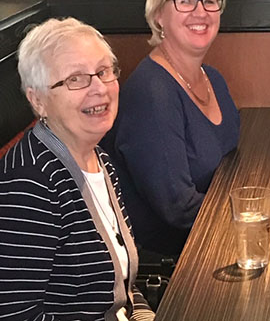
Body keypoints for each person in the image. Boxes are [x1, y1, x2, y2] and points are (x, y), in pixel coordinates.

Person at [0, 18, 154, 320]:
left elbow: (125, 286)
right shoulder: (29, 185)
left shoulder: (98, 157)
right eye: (75, 78)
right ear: (38, 100)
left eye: (103, 71)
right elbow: (15, 314)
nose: (98, 88)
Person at [103, 0, 240, 258]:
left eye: (210, 0)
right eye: (185, 1)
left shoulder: (212, 79)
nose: (201, 11)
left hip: (213, 232)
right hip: (174, 256)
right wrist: (247, 214)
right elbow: (177, 209)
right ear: (158, 15)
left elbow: (230, 161)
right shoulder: (153, 93)